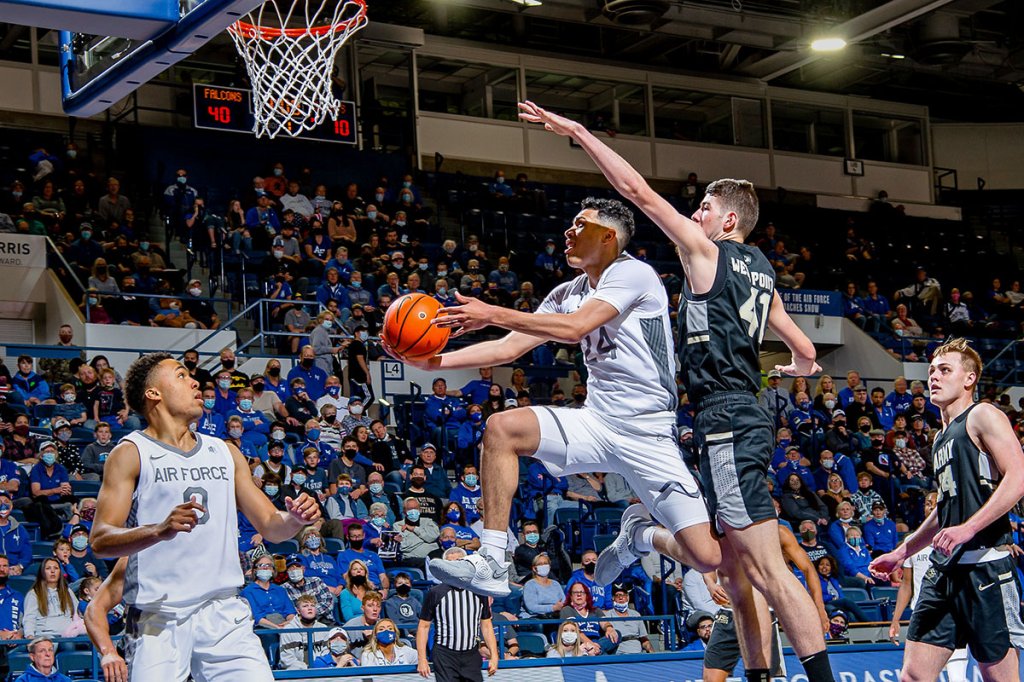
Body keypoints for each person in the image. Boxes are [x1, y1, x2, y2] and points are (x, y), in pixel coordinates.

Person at [518, 101, 833, 682]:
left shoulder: (707, 252)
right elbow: (807, 353)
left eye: (704, 207)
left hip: (725, 418)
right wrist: (789, 372)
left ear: (728, 221)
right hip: (743, 414)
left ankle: (820, 678)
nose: (695, 213)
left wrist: (579, 132)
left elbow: (636, 191)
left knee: (765, 568)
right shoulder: (762, 271)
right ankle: (759, 675)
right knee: (735, 571)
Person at [88, 352, 320, 681]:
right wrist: (158, 530)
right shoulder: (130, 453)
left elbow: (271, 526)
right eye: (181, 376)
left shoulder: (226, 452)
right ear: (153, 393)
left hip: (223, 611)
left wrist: (294, 519)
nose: (196, 381)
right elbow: (99, 541)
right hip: (159, 617)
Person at [870, 338, 1024, 682]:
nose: (934, 377)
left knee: (999, 678)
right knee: (913, 676)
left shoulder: (983, 414)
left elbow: (1019, 477)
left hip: (985, 567)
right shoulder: (940, 437)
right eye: (931, 371)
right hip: (944, 572)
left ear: (968, 379)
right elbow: (945, 507)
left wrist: (968, 528)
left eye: (945, 370)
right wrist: (902, 551)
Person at [887, 491, 968, 682]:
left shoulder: (958, 537)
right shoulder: (912, 541)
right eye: (927, 503)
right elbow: (906, 584)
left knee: (957, 678)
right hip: (922, 614)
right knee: (917, 676)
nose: (930, 506)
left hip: (952, 614)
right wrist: (895, 619)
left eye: (934, 502)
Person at [418, 547, 500, 680]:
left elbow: (486, 625)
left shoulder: (479, 592)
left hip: (471, 654)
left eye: (458, 562)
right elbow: (423, 626)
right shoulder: (436, 592)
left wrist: (494, 655)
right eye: (450, 563)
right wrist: (422, 659)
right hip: (445, 654)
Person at [23, 558, 77, 638]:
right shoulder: (34, 594)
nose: (52, 571)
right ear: (42, 572)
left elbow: (77, 612)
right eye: (48, 568)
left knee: (69, 645)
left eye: (56, 568)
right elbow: (29, 618)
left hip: (68, 635)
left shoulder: (67, 591)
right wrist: (29, 636)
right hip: (45, 635)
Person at [279, 594, 332, 670]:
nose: (310, 608)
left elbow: (326, 652)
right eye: (305, 606)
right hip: (296, 671)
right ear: (298, 610)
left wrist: (317, 665)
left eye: (312, 606)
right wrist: (306, 668)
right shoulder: (288, 630)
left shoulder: (322, 628)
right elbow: (287, 659)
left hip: (319, 668)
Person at [607, 584, 652, 654]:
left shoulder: (636, 615)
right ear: (613, 598)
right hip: (619, 654)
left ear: (627, 597)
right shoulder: (608, 615)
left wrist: (650, 650)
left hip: (637, 653)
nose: (620, 598)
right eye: (617, 595)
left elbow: (644, 639)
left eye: (623, 595)